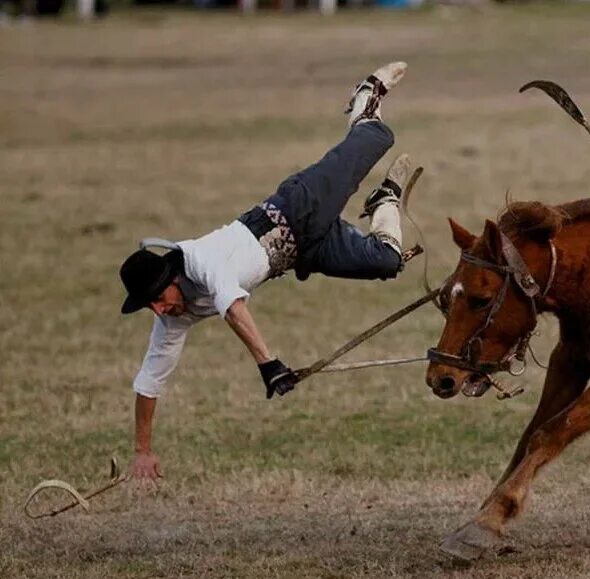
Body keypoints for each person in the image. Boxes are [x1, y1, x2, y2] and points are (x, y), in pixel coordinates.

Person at [118, 62, 411, 483]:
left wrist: (267, 364)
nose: (161, 311)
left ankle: (364, 100)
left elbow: (233, 306)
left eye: (159, 298)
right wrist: (142, 451)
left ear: (172, 277)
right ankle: (385, 200)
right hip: (300, 254)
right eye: (151, 306)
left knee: (379, 136)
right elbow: (149, 382)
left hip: (298, 207)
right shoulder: (172, 316)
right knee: (387, 261)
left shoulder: (200, 260)